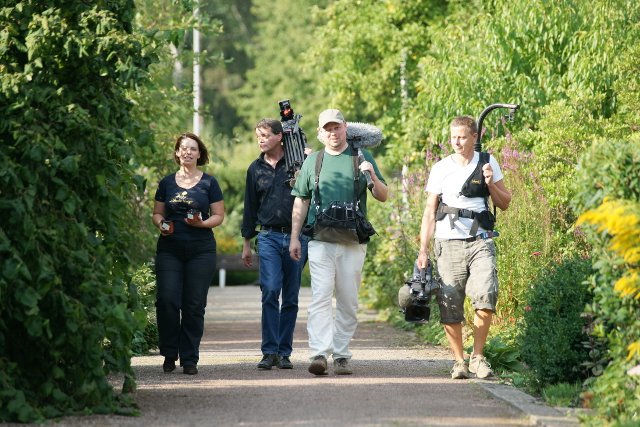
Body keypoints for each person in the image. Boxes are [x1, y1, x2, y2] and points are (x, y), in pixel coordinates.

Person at [289, 109, 388, 376]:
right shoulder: (313, 161)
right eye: (328, 129)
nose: (333, 133)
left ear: (346, 128)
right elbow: (301, 199)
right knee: (320, 296)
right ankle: (319, 353)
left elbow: (383, 196)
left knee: (348, 299)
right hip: (320, 239)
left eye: (337, 127)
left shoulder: (361, 156)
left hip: (353, 240)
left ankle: (342, 354)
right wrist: (295, 237)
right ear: (321, 133)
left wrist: (372, 175)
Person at [417, 115, 512, 379]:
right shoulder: (440, 168)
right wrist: (423, 250)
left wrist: (491, 183)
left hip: (480, 241)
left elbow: (505, 202)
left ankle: (478, 357)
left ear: (474, 137)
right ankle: (459, 361)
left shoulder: (487, 162)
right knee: (450, 302)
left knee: (486, 294)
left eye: (461, 137)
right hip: (447, 243)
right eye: (453, 137)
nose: (456, 142)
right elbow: (429, 211)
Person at [152, 132, 225, 375]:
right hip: (169, 249)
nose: (187, 152)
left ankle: (190, 358)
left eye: (193, 149)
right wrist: (162, 224)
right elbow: (157, 214)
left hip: (201, 249)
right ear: (176, 153)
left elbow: (218, 216)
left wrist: (202, 224)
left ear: (199, 154)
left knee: (194, 305)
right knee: (167, 300)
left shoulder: (209, 183)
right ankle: (169, 353)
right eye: (183, 148)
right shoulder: (166, 183)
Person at [241, 118, 309, 370]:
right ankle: (268, 351)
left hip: (297, 237)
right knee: (270, 290)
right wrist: (247, 242)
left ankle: (284, 352)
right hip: (267, 237)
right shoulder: (254, 168)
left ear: (280, 137)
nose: (260, 139)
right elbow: (250, 207)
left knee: (290, 296)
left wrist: (309, 160)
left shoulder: (298, 164)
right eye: (258, 135)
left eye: (265, 135)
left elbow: (313, 194)